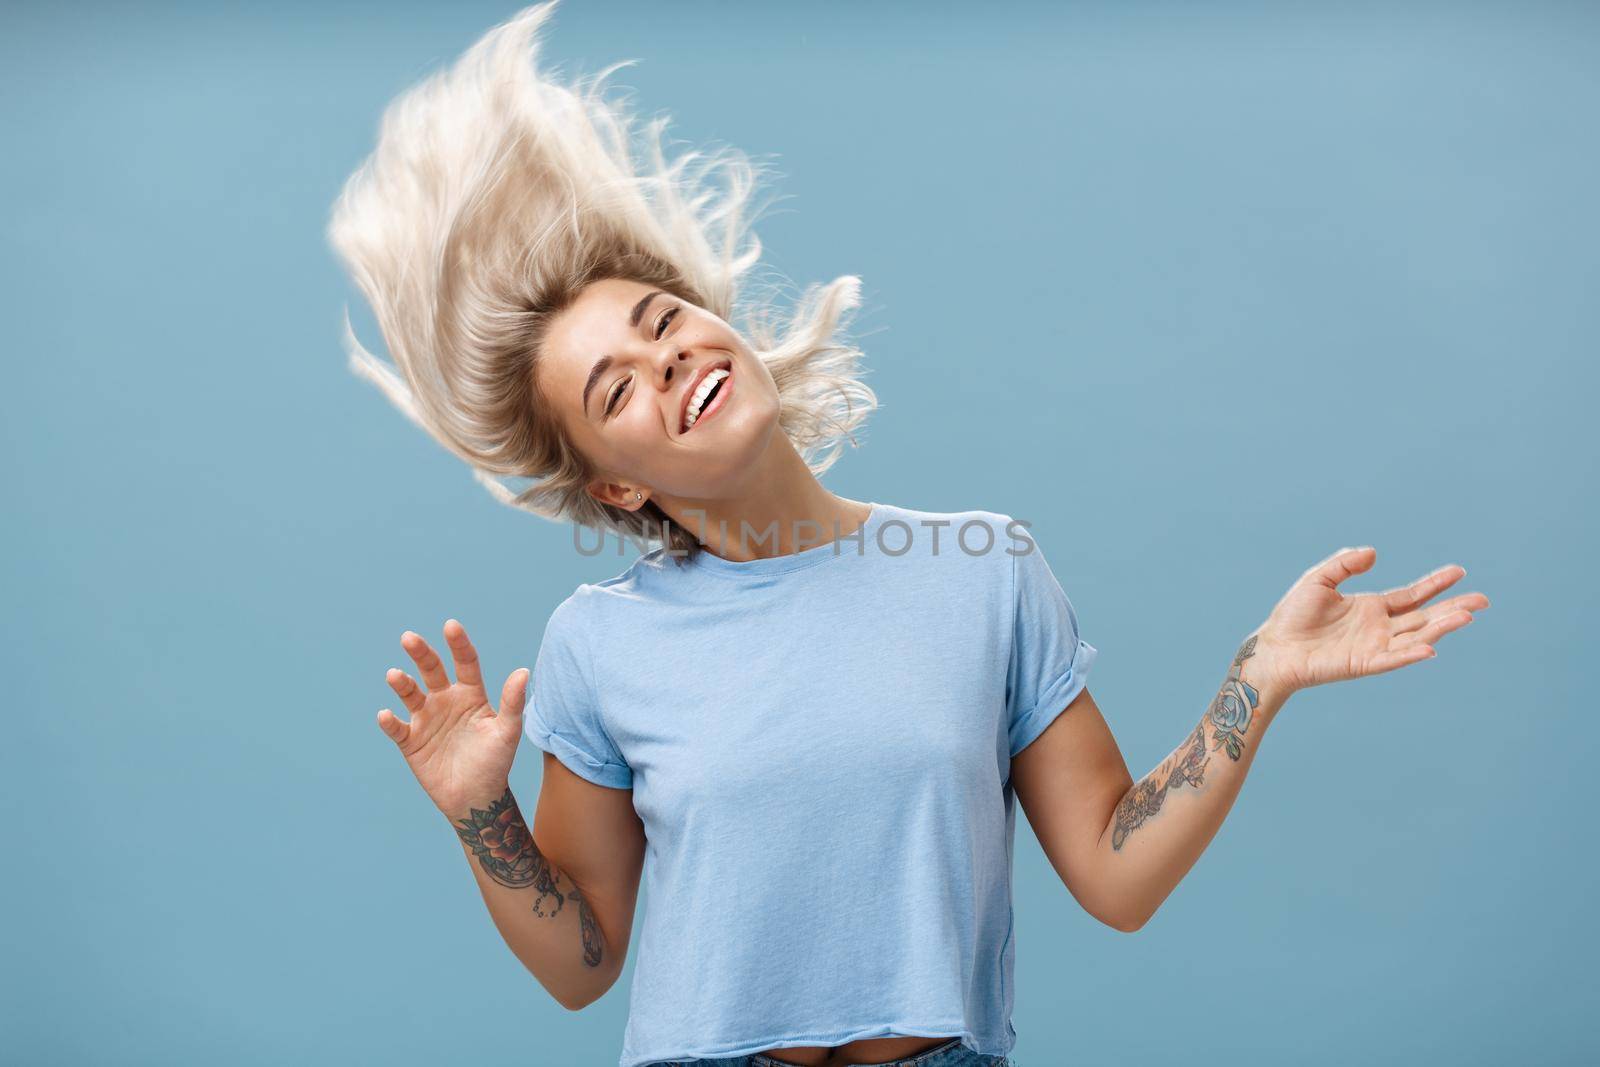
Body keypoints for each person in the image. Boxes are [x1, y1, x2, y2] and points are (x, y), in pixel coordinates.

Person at [326, 6, 1490, 1067]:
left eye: (661, 320)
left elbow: (1116, 874)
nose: (666, 357)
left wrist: (1260, 677)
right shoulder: (596, 643)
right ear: (616, 486)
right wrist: (481, 812)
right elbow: (582, 965)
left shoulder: (982, 569)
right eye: (615, 389)